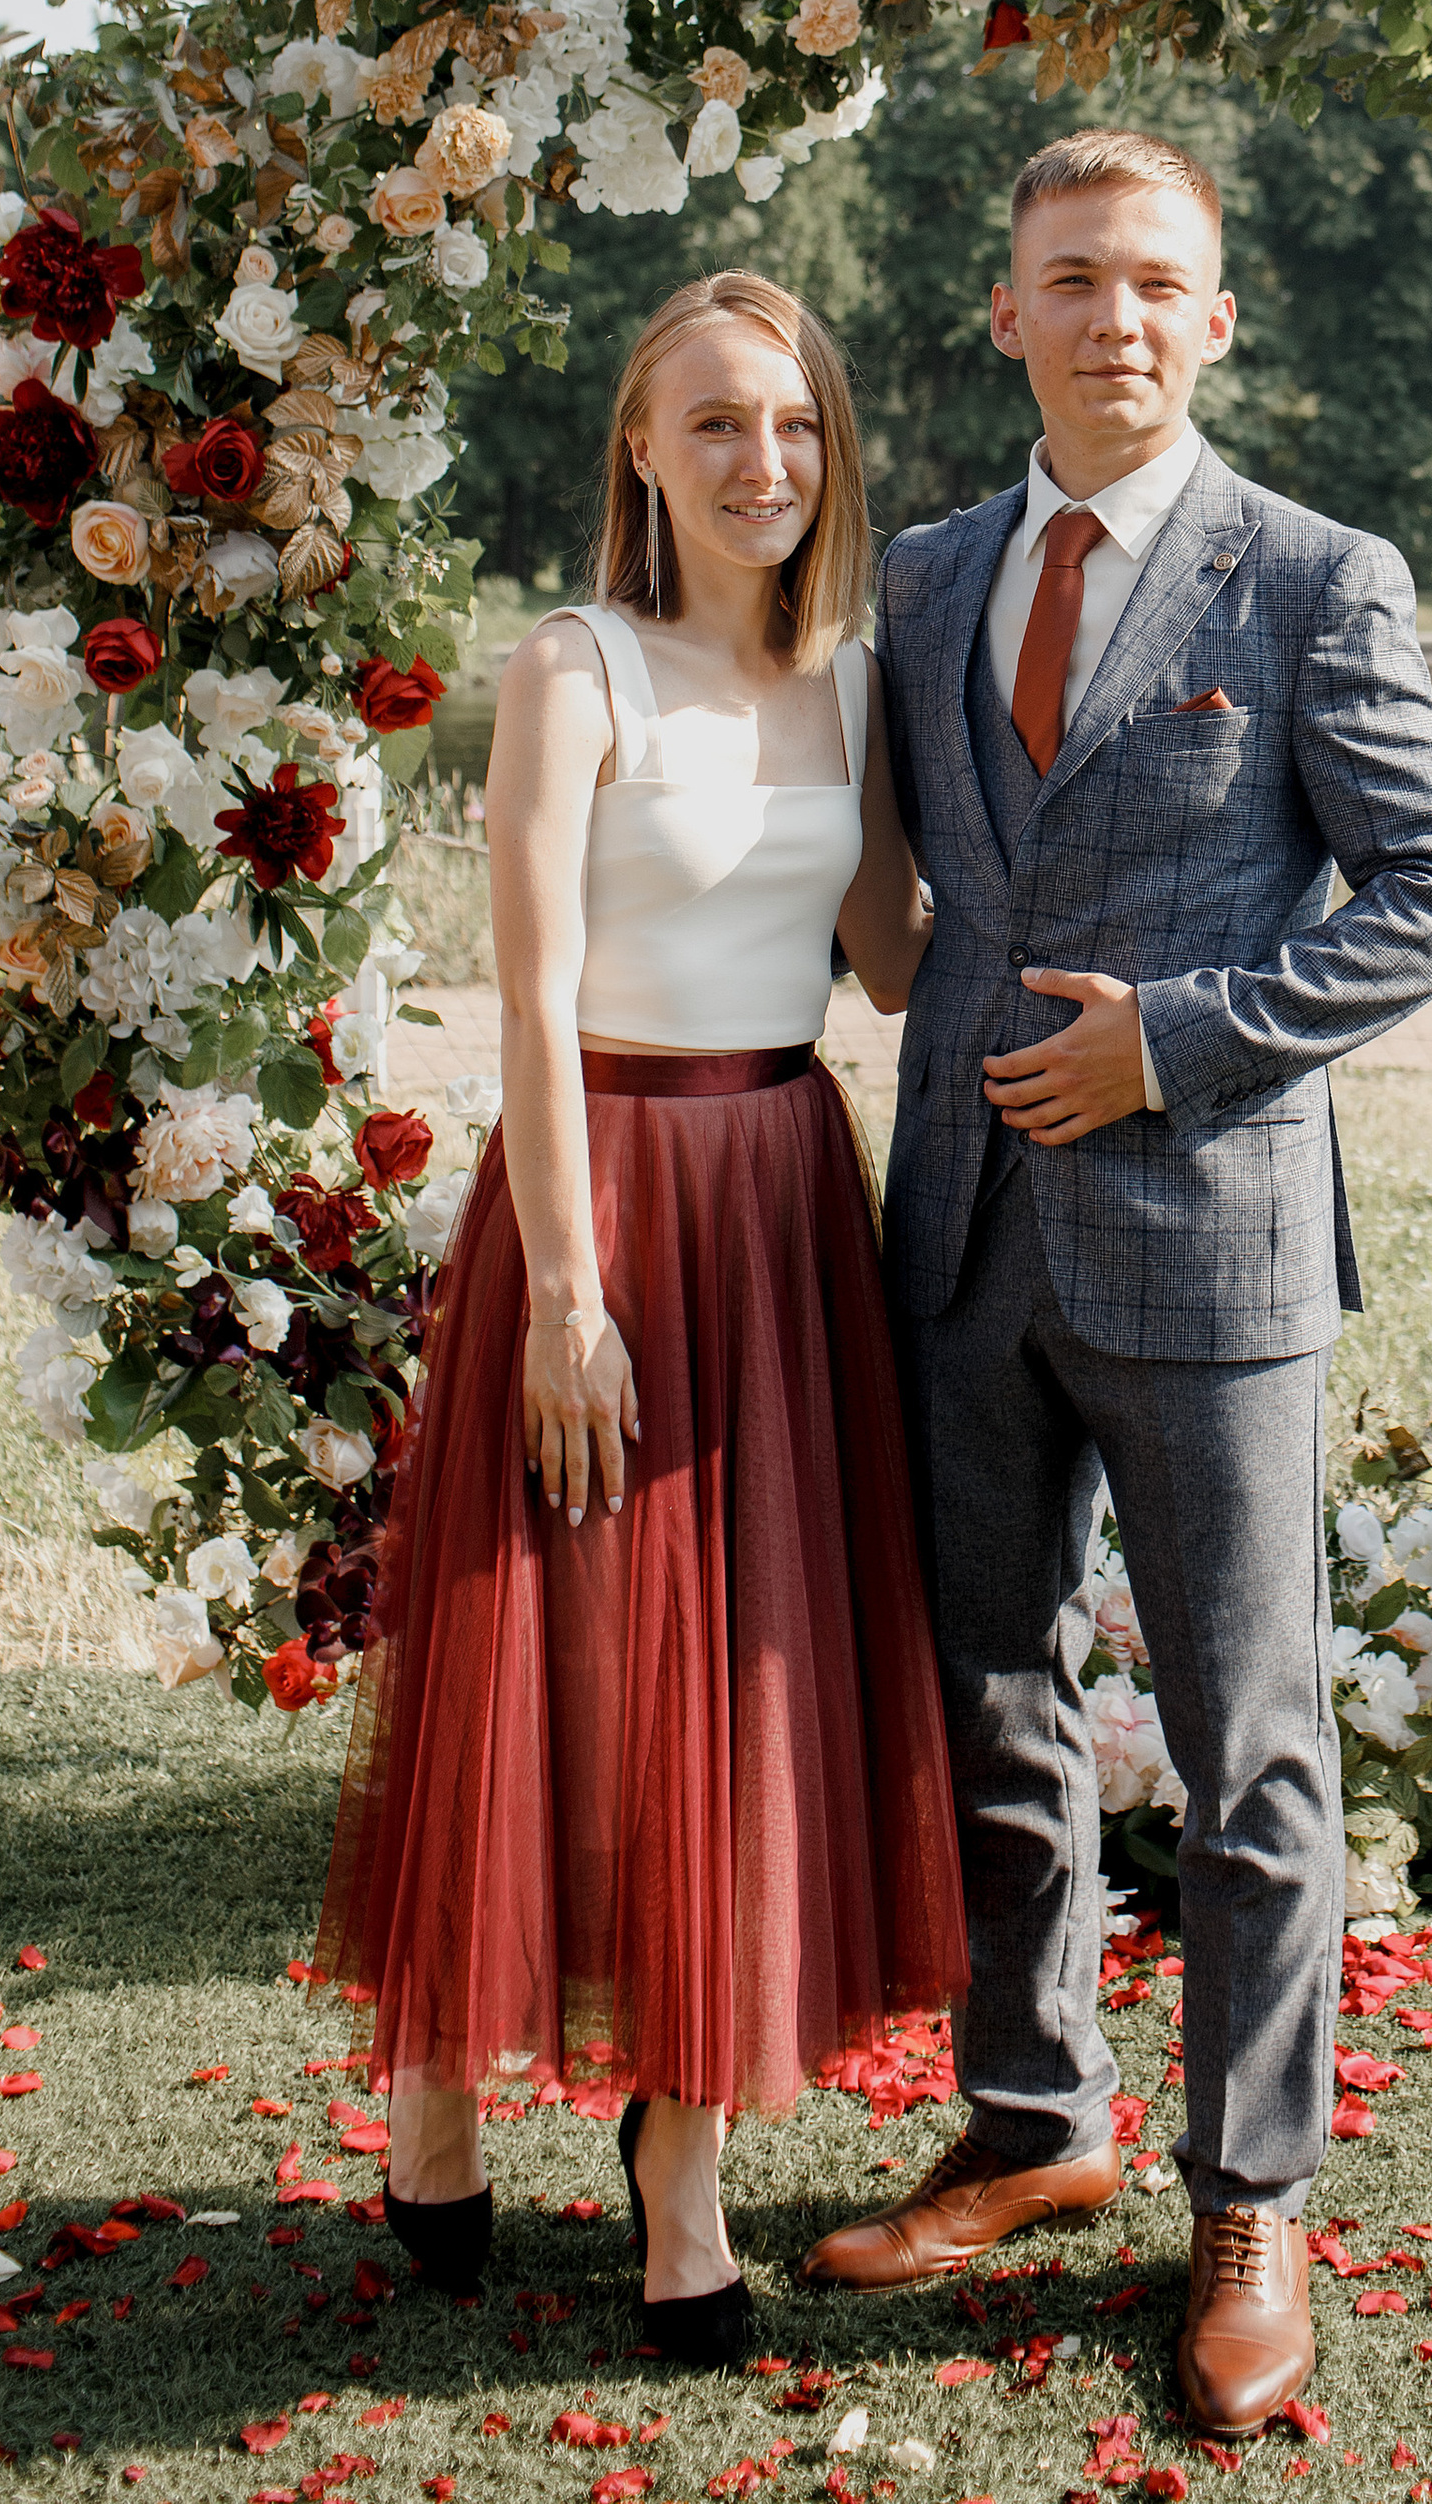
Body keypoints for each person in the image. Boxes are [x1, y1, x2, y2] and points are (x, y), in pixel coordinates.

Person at [802, 135, 1432, 2438]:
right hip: (959, 1247)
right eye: (1068, 278)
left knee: (1244, 1753)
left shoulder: (1310, 579)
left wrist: (1172, 1046)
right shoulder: (911, 580)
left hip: (1208, 1248)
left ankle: (1246, 2197)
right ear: (997, 311)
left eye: (1157, 284)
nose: (1112, 315)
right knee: (990, 1706)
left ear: (1218, 322)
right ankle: (1031, 2121)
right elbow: (885, 885)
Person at [313, 271, 965, 2360]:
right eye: (712, 427)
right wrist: (565, 1297)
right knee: (557, 1661)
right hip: (594, 1199)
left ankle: (677, 2159)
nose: (760, 463)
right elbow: (522, 995)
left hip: (782, 1201)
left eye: (790, 427)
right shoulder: (570, 668)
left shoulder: (859, 678)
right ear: (639, 450)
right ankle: (436, 2091)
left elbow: (879, 960)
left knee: (741, 1684)